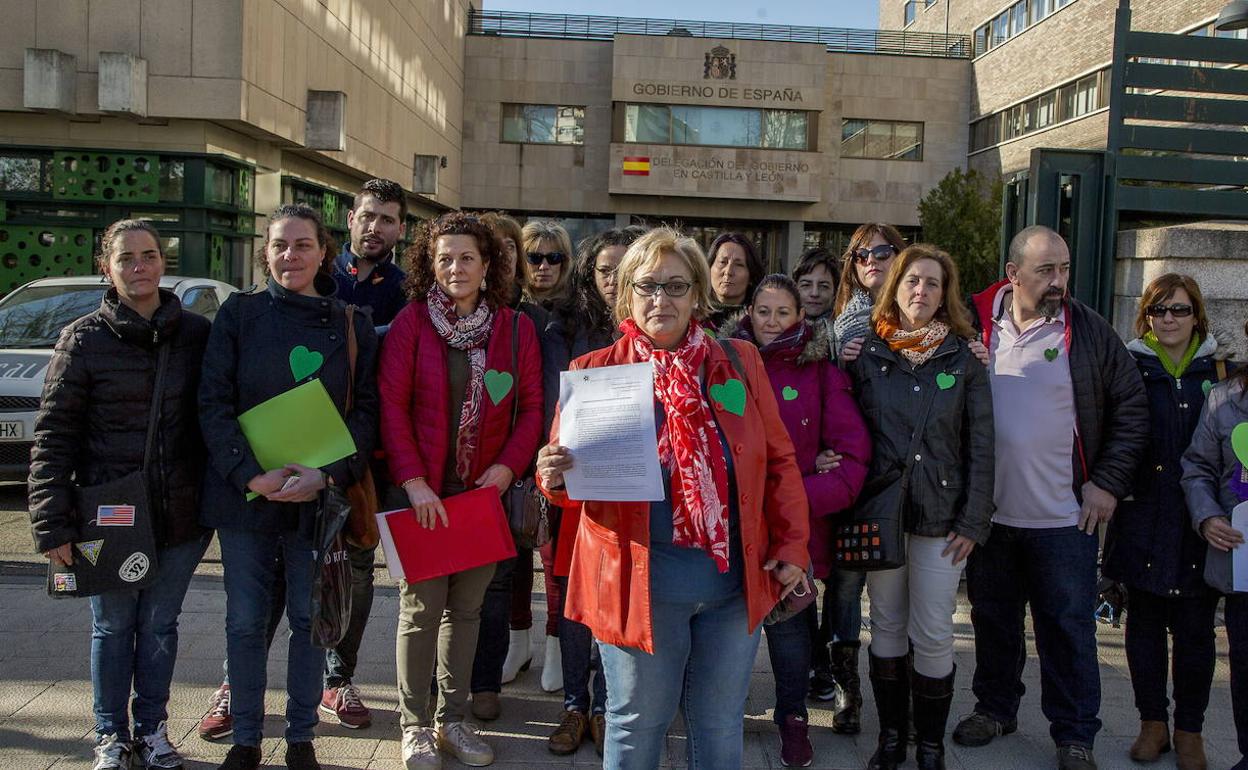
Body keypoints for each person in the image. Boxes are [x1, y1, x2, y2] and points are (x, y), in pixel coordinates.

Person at [534, 227, 810, 770]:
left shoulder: (741, 363)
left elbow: (779, 463)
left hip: (734, 588)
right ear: (626, 296)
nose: (661, 298)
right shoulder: (595, 374)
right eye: (648, 285)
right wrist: (554, 477)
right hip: (639, 585)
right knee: (637, 723)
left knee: (719, 724)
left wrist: (795, 546)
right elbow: (567, 487)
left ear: (698, 295)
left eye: (677, 286)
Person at [957, 225, 1148, 770]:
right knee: (992, 621)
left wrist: (1108, 481)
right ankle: (995, 709)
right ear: (1013, 275)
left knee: (1068, 630)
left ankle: (1074, 734)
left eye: (1064, 268)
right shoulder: (973, 324)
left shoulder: (1087, 331)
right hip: (990, 517)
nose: (1059, 281)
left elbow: (1131, 407)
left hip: (1066, 521)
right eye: (1046, 270)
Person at [200, 204, 380, 770]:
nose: (290, 256)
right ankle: (247, 740)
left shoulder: (351, 322)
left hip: (318, 500)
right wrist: (250, 473)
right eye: (280, 245)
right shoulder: (238, 314)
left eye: (302, 245)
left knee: (310, 621)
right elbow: (213, 402)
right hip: (246, 499)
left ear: (324, 251)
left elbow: (367, 415)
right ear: (266, 252)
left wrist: (325, 475)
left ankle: (301, 737)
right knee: (246, 621)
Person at [28, 219, 212, 770]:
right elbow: (54, 434)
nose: (139, 266)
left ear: (163, 263)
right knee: (111, 625)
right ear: (106, 267)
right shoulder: (82, 339)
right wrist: (51, 524)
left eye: (149, 255)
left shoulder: (196, 335)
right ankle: (110, 733)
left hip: (181, 515)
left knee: (160, 625)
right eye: (126, 258)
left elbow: (219, 417)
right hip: (107, 516)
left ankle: (153, 729)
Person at [380, 212, 544, 769]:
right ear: (430, 263)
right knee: (420, 609)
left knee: (467, 610)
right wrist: (414, 481)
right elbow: (392, 410)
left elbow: (532, 411)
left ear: (487, 264)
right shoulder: (411, 324)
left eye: (466, 257)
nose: (455, 267)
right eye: (444, 257)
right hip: (425, 494)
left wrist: (504, 471)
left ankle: (451, 720)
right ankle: (413, 724)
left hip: (482, 498)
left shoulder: (515, 329)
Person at [846, 246, 995, 770]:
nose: (921, 292)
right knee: (885, 625)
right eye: (912, 281)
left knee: (932, 629)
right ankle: (891, 740)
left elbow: (982, 445)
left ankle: (928, 746)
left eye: (933, 283)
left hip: (942, 519)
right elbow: (847, 429)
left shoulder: (963, 357)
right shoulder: (866, 354)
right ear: (895, 287)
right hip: (881, 513)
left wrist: (974, 520)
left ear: (945, 293)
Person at [728, 274, 871, 767]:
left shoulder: (821, 374)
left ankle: (793, 719)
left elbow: (852, 461)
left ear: (801, 317)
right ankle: (722, 715)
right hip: (729, 526)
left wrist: (792, 500)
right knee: (727, 631)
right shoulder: (722, 364)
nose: (771, 323)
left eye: (782, 313)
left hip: (793, 528)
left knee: (790, 632)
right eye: (762, 312)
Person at [1102, 274, 1228, 769]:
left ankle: (1190, 730)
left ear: (1196, 314)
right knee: (1145, 625)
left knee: (1197, 630)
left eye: (1179, 310)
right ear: (1146, 316)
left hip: (1200, 522)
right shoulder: (1130, 366)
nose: (1169, 319)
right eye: (1159, 311)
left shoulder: (1219, 373)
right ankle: (1151, 723)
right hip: (1143, 513)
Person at [543, 226, 645, 756]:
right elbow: (547, 405)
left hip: (632, 488)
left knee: (619, 598)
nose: (613, 279)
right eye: (603, 269)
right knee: (573, 597)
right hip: (576, 486)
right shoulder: (564, 330)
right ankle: (573, 706)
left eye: (623, 268)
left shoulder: (651, 332)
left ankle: (607, 706)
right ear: (589, 274)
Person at [470, 212, 566, 716]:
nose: (532, 264)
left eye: (551, 257)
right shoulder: (480, 313)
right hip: (491, 463)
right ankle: (518, 641)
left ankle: (553, 645)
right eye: (530, 254)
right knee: (506, 566)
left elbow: (542, 394)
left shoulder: (544, 319)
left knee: (550, 559)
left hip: (542, 456)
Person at [1181, 319, 1248, 770]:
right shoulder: (1224, 399)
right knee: (1244, 665)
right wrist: (1207, 516)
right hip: (1243, 557)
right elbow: (1198, 467)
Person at [332, 178, 409, 331]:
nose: (374, 228)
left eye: (387, 220)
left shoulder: (407, 291)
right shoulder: (319, 275)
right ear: (351, 219)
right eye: (368, 216)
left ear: (401, 230)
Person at [831, 223, 907, 362]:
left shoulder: (918, 311)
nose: (871, 260)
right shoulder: (842, 324)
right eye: (861, 255)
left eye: (882, 252)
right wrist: (843, 363)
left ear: (900, 256)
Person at [706, 232, 764, 329]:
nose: (728, 272)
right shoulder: (691, 316)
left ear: (751, 275)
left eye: (739, 265)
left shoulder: (761, 321)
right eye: (722, 262)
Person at [519, 219, 574, 309]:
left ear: (564, 263)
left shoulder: (578, 308)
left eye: (553, 258)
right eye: (535, 257)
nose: (544, 266)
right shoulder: (508, 306)